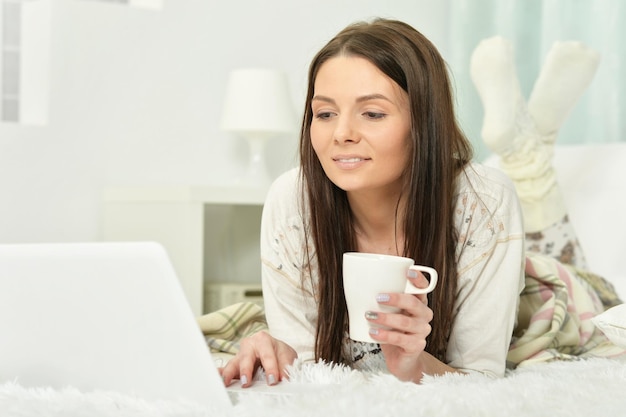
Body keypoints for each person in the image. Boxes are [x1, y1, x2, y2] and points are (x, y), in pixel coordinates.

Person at [219, 17, 526, 387]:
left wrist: (414, 365)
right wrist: (284, 358)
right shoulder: (292, 201)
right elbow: (307, 369)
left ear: (423, 123)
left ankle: (529, 153)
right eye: (325, 114)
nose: (342, 134)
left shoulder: (483, 202)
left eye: (373, 114)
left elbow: (481, 379)